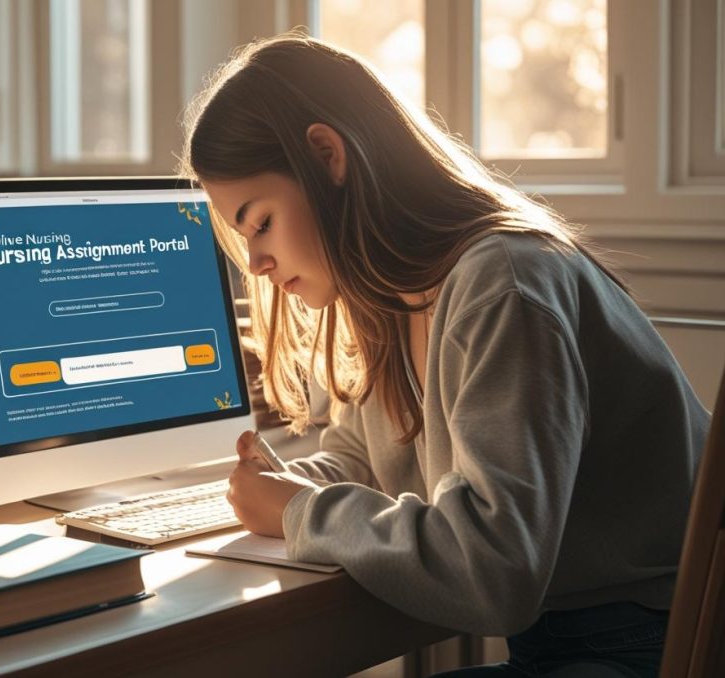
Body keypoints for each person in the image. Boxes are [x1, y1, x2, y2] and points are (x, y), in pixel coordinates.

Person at [182, 33, 709, 677]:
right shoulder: (387, 300)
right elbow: (365, 463)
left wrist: (300, 511)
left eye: (260, 220)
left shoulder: (503, 283)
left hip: (650, 647)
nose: (257, 264)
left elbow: (493, 572)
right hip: (569, 642)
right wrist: (283, 487)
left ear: (327, 156)